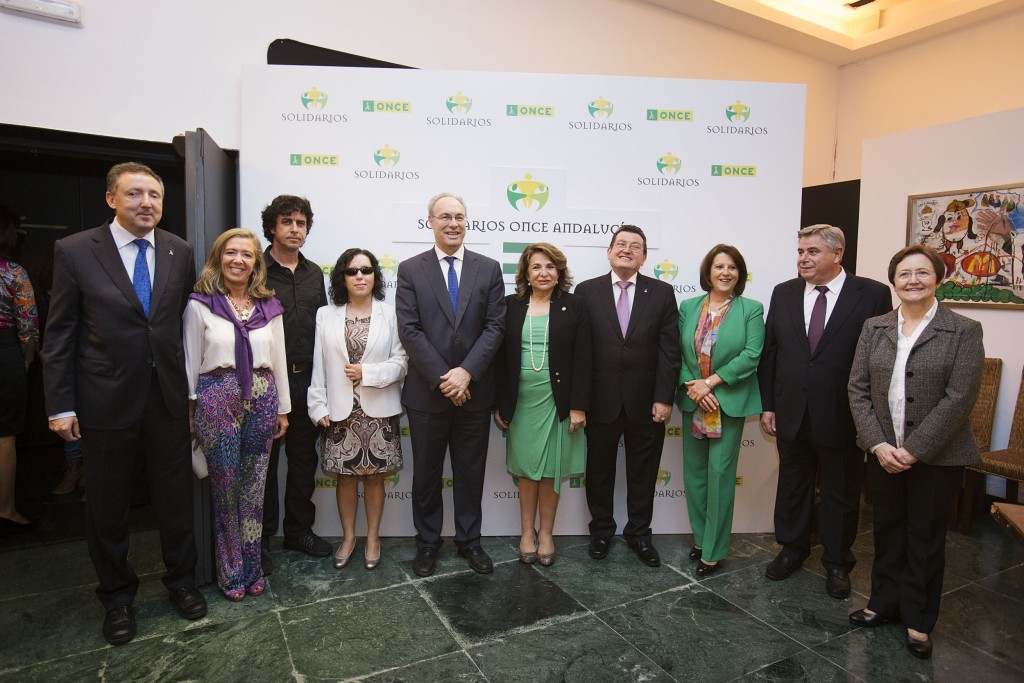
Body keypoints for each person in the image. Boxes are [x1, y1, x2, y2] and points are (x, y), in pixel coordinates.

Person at [41, 162, 207, 645]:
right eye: (135, 194)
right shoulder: (75, 250)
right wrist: (61, 406)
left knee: (175, 499)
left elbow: (180, 323)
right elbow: (60, 335)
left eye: (155, 195)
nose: (147, 203)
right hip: (104, 399)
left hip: (168, 399)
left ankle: (181, 582)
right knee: (108, 505)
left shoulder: (179, 250)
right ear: (112, 198)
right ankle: (116, 597)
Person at [847, 244, 983, 660]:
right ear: (894, 281)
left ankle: (919, 620)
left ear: (938, 278)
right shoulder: (876, 327)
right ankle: (882, 602)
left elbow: (959, 398)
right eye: (904, 274)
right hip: (884, 450)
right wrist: (878, 443)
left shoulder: (963, 329)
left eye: (922, 273)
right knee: (887, 531)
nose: (913, 281)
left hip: (937, 457)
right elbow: (858, 389)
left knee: (924, 539)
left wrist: (915, 449)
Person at [758, 224, 892, 598]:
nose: (803, 258)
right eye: (800, 251)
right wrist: (768, 405)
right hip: (791, 410)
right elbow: (771, 352)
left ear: (838, 253)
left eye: (813, 251)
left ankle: (837, 562)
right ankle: (792, 549)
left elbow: (881, 358)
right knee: (793, 485)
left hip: (845, 413)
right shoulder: (783, 293)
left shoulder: (872, 294)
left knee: (841, 492)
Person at [396, 192, 506, 577]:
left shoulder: (488, 268)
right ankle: (427, 544)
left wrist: (466, 373)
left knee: (470, 472)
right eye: (445, 216)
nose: (453, 223)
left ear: (467, 221)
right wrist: (446, 377)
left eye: (459, 216)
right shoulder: (411, 269)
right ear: (430, 221)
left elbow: (495, 327)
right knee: (426, 473)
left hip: (473, 393)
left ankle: (469, 542)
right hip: (428, 393)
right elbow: (409, 330)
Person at [184, 228, 289, 601]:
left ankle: (252, 567)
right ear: (219, 257)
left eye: (247, 254)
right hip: (217, 395)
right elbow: (190, 360)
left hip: (263, 397)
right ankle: (230, 573)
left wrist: (284, 410)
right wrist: (192, 411)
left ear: (256, 263)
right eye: (231, 252)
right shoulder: (201, 304)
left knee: (254, 488)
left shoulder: (269, 306)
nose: (238, 260)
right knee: (225, 488)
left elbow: (278, 360)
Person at [575, 225, 681, 567]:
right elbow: (580, 350)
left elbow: (669, 350)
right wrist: (580, 401)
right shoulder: (586, 291)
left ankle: (639, 534)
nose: (627, 249)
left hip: (647, 403)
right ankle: (601, 530)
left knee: (643, 472)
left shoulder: (662, 293)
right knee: (599, 471)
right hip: (600, 402)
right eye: (620, 244)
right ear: (608, 252)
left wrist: (664, 397)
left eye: (635, 246)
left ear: (644, 257)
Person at [308, 249, 408, 570]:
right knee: (345, 479)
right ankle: (349, 537)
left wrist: (369, 373)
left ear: (376, 275)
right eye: (352, 272)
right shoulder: (326, 314)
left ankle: (374, 538)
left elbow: (401, 363)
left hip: (379, 412)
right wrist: (317, 405)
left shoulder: (391, 314)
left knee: (376, 479)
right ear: (342, 278)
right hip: (340, 411)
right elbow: (319, 366)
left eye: (366, 270)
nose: (360, 276)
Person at [494, 243, 591, 566]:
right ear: (525, 273)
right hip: (521, 401)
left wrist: (579, 405)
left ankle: (546, 534)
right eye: (536, 267)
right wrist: (499, 404)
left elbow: (584, 359)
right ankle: (526, 533)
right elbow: (497, 360)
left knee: (551, 471)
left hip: (558, 401)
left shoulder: (574, 306)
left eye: (550, 266)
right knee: (526, 471)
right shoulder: (509, 305)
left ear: (559, 271)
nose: (543, 273)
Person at [676, 245, 764, 577]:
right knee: (695, 476)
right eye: (718, 267)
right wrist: (694, 387)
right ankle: (700, 539)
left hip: (728, 402)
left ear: (739, 273)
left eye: (731, 267)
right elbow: (678, 354)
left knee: (719, 475)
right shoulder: (687, 307)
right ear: (708, 272)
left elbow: (752, 354)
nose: (725, 272)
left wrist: (709, 383)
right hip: (693, 401)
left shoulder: (751, 309)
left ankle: (713, 551)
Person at [261, 195, 331, 571]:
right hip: (267, 381)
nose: (294, 229)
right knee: (266, 464)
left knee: (304, 461)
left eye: (301, 223)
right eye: (286, 222)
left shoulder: (314, 272)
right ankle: (261, 540)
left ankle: (298, 530)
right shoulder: (254, 268)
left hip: (308, 380)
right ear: (272, 226)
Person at [0, 204, 39, 536]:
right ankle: (6, 508)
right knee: (4, 434)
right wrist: (26, 361)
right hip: (5, 351)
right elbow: (28, 327)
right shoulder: (13, 272)